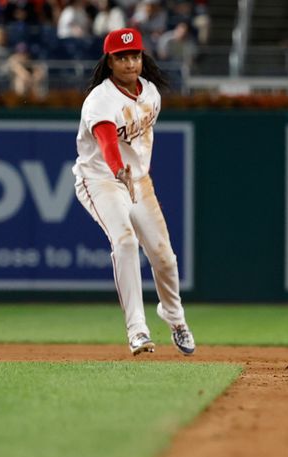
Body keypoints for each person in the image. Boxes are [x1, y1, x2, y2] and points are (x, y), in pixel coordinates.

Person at [72, 27, 195, 356]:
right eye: (121, 57)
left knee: (164, 258)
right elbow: (108, 142)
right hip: (101, 179)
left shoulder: (151, 93)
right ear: (109, 62)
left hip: (139, 182)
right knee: (125, 241)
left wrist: (133, 175)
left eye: (135, 56)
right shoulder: (100, 100)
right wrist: (117, 169)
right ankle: (137, 330)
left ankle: (174, 317)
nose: (129, 63)